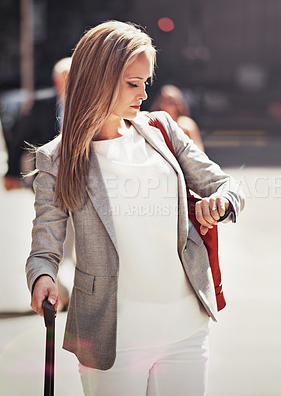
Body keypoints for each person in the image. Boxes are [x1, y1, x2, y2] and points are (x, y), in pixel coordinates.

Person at [27, 21, 245, 396]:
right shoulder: (58, 158)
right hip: (111, 339)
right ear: (99, 79)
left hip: (185, 330)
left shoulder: (162, 130)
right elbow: (45, 248)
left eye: (146, 81)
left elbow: (227, 185)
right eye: (133, 83)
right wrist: (42, 278)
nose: (144, 93)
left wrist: (220, 203)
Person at [3, 57, 71, 190]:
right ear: (56, 80)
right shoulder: (41, 104)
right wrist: (12, 172)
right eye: (65, 76)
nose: (69, 81)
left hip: (77, 176)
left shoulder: (87, 105)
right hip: (46, 176)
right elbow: (21, 138)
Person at [151, 84, 205, 151]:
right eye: (168, 101)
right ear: (160, 102)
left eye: (175, 101)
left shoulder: (187, 124)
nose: (173, 105)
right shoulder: (153, 123)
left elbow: (199, 149)